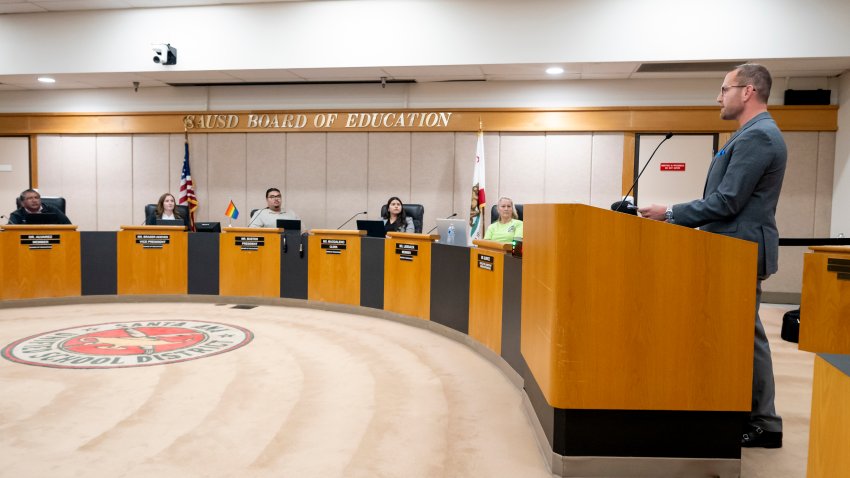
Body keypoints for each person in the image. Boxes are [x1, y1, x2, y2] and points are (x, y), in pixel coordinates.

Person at [638, 63, 785, 449]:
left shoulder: (759, 136)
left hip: (738, 250)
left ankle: (764, 422)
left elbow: (727, 201)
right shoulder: (748, 134)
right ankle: (748, 413)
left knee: (746, 337)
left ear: (748, 91)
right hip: (729, 249)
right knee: (740, 334)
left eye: (724, 89)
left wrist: (670, 213)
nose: (718, 97)